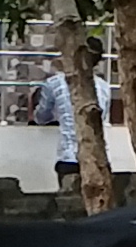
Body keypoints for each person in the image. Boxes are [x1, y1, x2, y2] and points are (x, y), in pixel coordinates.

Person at [30, 54, 116, 194]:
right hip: (98, 157)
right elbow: (103, 118)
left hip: (68, 157)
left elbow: (41, 117)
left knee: (68, 203)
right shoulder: (104, 87)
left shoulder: (54, 83)